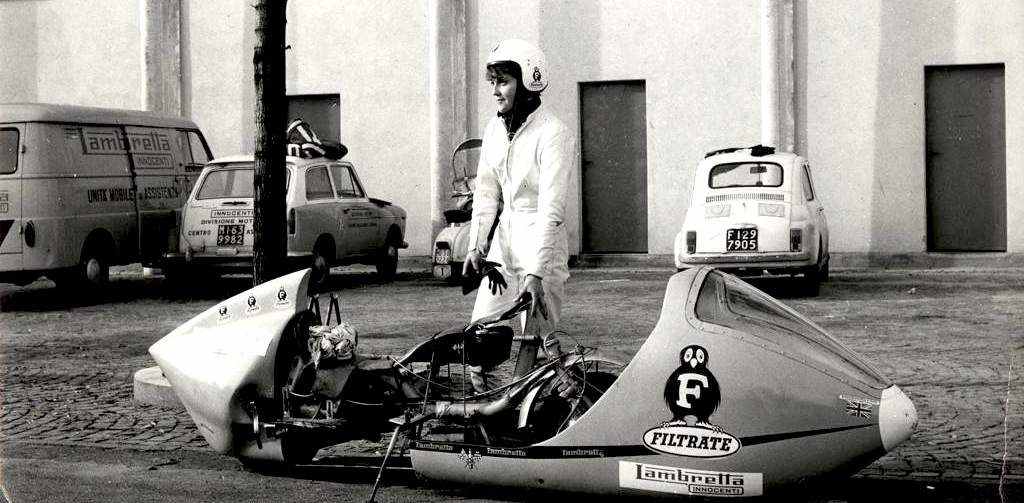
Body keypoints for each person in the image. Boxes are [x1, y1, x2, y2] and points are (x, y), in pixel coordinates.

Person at [462, 39, 575, 392]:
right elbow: (486, 193)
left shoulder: (553, 133)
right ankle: (493, 420)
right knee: (480, 340)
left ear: (527, 83)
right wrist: (476, 247)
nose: (495, 91)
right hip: (503, 249)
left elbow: (551, 210)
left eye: (504, 81)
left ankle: (563, 412)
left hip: (541, 247)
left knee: (539, 347)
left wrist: (536, 272)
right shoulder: (495, 130)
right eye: (492, 81)